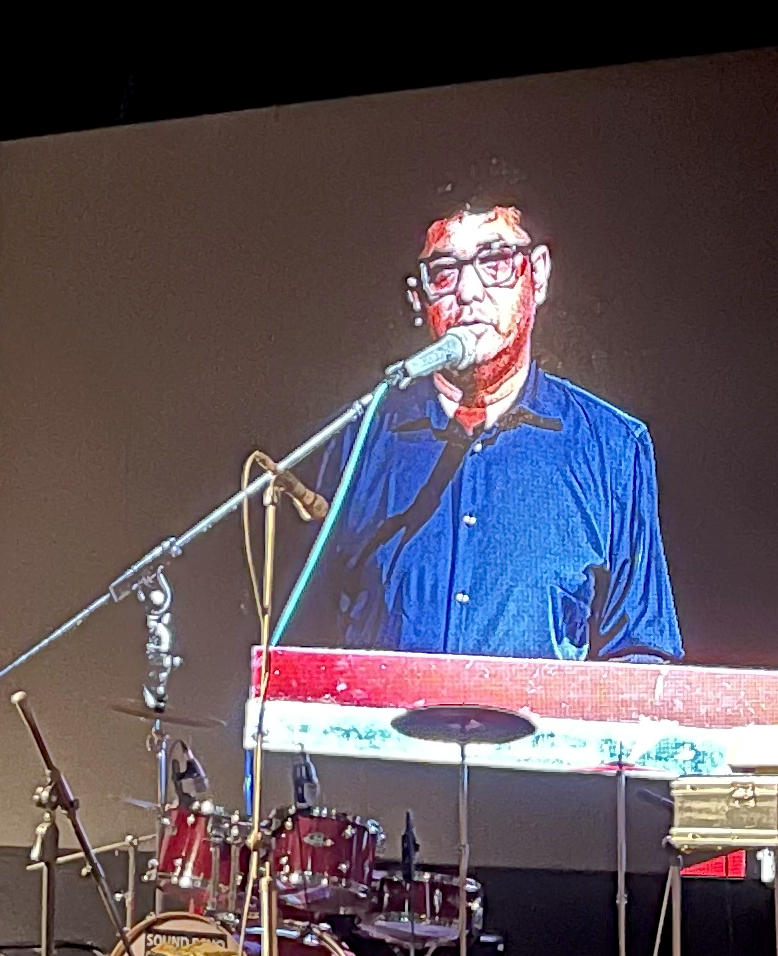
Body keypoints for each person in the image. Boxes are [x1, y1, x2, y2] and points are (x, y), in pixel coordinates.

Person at [291, 204, 683, 661]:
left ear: (538, 274)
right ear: (418, 297)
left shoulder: (613, 447)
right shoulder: (356, 441)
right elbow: (300, 647)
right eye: (445, 271)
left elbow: (641, 653)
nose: (469, 292)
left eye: (495, 262)